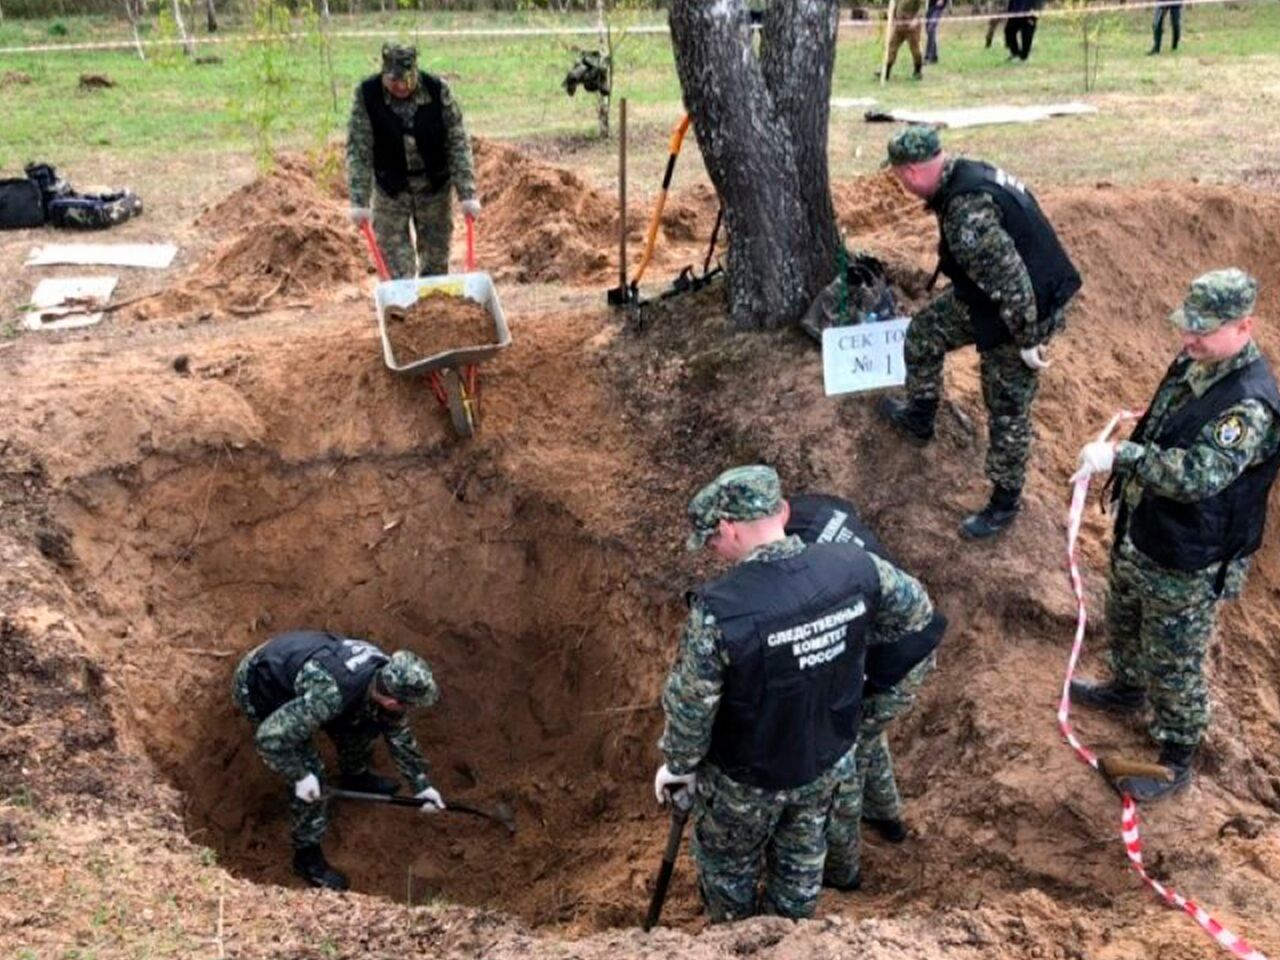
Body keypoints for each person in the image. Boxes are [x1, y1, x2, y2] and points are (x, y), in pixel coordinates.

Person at [655, 466, 935, 922]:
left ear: (729, 528)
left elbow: (691, 708)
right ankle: (788, 938)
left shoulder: (720, 610)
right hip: (824, 762)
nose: (713, 550)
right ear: (780, 511)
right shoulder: (851, 565)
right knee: (801, 865)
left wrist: (678, 766)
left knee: (729, 870)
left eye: (712, 540)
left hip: (746, 780)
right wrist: (844, 650)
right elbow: (916, 610)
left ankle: (737, 943)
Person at [1070, 269, 1280, 801]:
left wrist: (1123, 456)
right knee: (1126, 615)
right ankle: (1125, 686)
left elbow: (1199, 477)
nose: (1189, 338)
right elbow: (1161, 419)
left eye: (1203, 330)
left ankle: (1177, 753)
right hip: (1147, 529)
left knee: (1175, 656)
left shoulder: (1249, 405)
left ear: (1243, 328)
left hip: (1191, 553)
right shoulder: (1196, 359)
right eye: (1188, 326)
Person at [878, 126, 1082, 539]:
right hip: (989, 297)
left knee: (1006, 405)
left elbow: (1011, 279)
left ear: (914, 172)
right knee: (923, 333)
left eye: (900, 177)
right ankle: (920, 416)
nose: (901, 185)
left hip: (1025, 309)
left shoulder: (966, 210)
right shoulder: (963, 174)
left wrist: (1027, 339)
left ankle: (1004, 503)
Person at [784, 493, 946, 889]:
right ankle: (886, 816)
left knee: (846, 761)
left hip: (891, 661)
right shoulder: (818, 507)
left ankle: (843, 872)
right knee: (871, 734)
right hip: (916, 637)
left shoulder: (799, 565)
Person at [231, 630, 444, 890]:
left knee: (362, 725)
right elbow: (270, 738)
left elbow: (397, 731)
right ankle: (306, 856)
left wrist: (422, 784)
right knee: (313, 774)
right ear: (391, 700)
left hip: (301, 668)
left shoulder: (384, 672)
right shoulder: (330, 695)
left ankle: (356, 776)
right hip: (260, 684)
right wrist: (300, 776)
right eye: (407, 704)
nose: (407, 710)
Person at [346, 43, 481, 279]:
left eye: (405, 80)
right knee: (396, 269)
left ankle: (432, 311)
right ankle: (402, 311)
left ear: (415, 73)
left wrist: (467, 193)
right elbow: (359, 149)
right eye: (393, 81)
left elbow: (457, 141)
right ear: (384, 74)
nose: (399, 86)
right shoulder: (367, 95)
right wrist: (359, 201)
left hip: (433, 187)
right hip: (390, 189)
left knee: (436, 266)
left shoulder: (437, 91)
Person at [880, 0, 925, 81]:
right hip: (899, 25)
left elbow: (921, 8)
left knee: (915, 50)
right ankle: (886, 72)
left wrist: (916, 19)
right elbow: (895, 6)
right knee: (891, 47)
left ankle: (917, 71)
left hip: (911, 27)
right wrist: (890, 16)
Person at [925, 0, 950, 64]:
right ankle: (931, 56)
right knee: (928, 29)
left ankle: (931, 57)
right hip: (931, 5)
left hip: (938, 6)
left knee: (931, 28)